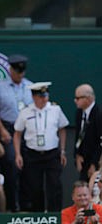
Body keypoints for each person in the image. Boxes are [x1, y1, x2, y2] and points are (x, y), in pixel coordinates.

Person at [13, 82, 69, 212]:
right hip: (33, 154)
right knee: (34, 187)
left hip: (52, 153)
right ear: (34, 97)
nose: (44, 99)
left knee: (54, 185)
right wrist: (18, 154)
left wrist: (63, 150)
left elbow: (62, 129)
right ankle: (38, 216)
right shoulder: (26, 111)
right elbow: (17, 133)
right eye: (41, 96)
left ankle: (55, 216)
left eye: (45, 96)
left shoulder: (55, 110)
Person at [0, 54, 33, 211]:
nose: (20, 75)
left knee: (28, 168)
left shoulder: (30, 86)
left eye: (22, 73)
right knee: (12, 165)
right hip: (9, 128)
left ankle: (27, 205)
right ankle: (13, 206)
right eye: (17, 72)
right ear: (10, 70)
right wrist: (1, 130)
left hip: (27, 131)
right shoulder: (0, 87)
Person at [74, 84, 102, 182]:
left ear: (88, 98)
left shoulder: (98, 114)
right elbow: (79, 135)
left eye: (78, 98)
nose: (75, 101)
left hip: (96, 161)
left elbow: (100, 141)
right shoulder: (79, 113)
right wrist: (77, 154)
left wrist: (94, 163)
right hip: (84, 160)